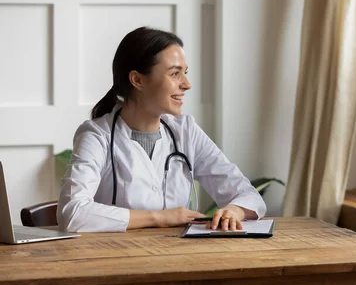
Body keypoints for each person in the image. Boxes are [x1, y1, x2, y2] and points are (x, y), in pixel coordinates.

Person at [58, 27, 266, 233]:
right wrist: (160, 218)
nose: (187, 84)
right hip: (115, 258)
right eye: (175, 73)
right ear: (137, 80)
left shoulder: (186, 131)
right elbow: (72, 213)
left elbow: (247, 194)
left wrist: (235, 210)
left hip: (176, 255)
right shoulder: (97, 135)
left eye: (185, 73)